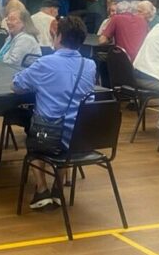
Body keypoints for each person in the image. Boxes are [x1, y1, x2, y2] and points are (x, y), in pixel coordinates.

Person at [12, 16, 96, 210]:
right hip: (84, 138)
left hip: (51, 138)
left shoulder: (46, 63)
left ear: (58, 37)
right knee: (70, 124)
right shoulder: (90, 65)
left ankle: (41, 190)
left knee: (33, 137)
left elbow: (17, 85)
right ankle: (58, 187)